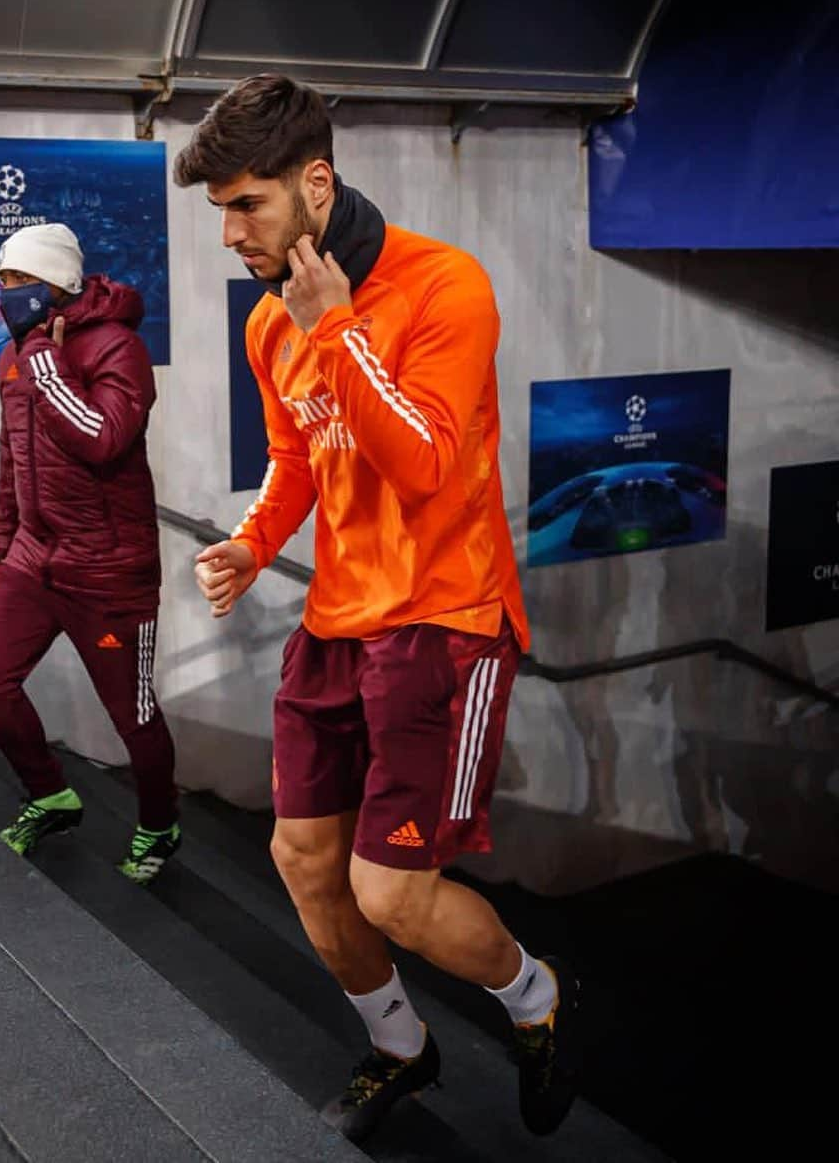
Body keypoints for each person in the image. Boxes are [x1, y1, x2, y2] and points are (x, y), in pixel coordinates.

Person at [175, 75, 580, 1143]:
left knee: (393, 893)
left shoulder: (447, 286)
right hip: (337, 624)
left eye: (245, 204)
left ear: (315, 184)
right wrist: (253, 544)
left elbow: (428, 465)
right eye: (219, 208)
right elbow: (294, 455)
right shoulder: (271, 321)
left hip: (447, 622)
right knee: (303, 862)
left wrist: (341, 328)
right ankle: (402, 1045)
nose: (228, 232)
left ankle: (537, 1003)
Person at [0, 223, 179, 884]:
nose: (7, 295)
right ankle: (52, 795)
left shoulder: (117, 345)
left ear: (58, 284)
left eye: (20, 283)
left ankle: (160, 825)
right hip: (34, 558)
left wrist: (47, 364)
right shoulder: (15, 354)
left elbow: (105, 437)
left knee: (133, 716)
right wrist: (2, 546)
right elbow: (14, 458)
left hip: (109, 571)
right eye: (2, 283)